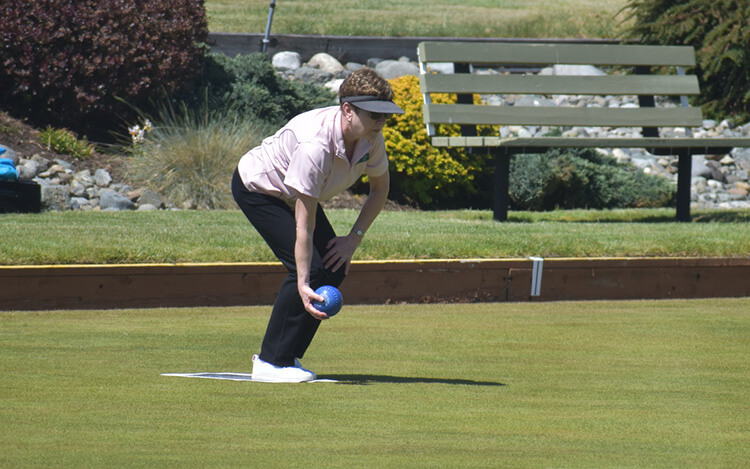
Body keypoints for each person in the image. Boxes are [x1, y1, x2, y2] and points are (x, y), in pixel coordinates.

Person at [231, 68, 404, 383]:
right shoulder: (316, 146)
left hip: (295, 193)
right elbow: (304, 224)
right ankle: (270, 362)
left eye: (385, 116)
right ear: (347, 110)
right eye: (374, 114)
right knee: (309, 269)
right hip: (260, 189)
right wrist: (301, 281)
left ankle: (288, 357)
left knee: (335, 265)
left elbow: (380, 190)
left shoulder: (370, 138)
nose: (381, 122)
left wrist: (353, 239)